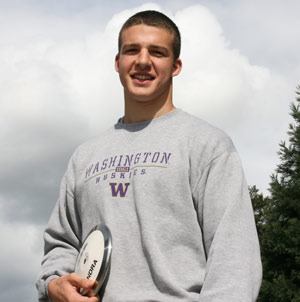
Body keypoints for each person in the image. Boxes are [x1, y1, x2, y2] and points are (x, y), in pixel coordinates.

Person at [36, 10, 262, 302]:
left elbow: (235, 258)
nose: (143, 61)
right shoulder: (85, 157)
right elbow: (62, 244)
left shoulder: (208, 145)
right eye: (132, 50)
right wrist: (54, 284)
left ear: (176, 66)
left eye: (157, 52)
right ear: (118, 63)